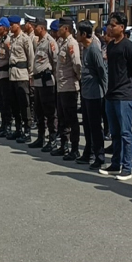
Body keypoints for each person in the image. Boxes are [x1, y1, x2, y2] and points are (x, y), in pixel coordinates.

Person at [99, 12, 132, 182]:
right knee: (114, 132)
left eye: (113, 25)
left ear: (122, 28)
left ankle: (127, 168)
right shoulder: (112, 45)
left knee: (125, 133)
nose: (109, 27)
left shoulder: (128, 46)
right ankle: (115, 164)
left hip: (124, 94)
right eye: (109, 24)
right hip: (111, 94)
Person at [77, 19, 108, 169]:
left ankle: (99, 156)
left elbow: (102, 72)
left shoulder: (94, 49)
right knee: (88, 126)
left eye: (78, 32)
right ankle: (88, 153)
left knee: (95, 127)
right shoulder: (85, 48)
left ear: (84, 34)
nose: (76, 34)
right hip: (86, 93)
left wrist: (105, 93)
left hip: (95, 95)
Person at [53, 17, 82, 160]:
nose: (58, 30)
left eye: (60, 27)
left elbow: (77, 64)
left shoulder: (72, 43)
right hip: (61, 86)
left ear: (66, 28)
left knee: (71, 119)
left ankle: (75, 148)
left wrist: (76, 78)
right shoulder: (62, 43)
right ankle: (64, 145)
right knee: (62, 118)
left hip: (69, 86)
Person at [28, 18, 57, 151]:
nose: (34, 29)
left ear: (42, 28)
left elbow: (55, 62)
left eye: (36, 27)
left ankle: (52, 139)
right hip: (38, 82)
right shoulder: (38, 41)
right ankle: (40, 137)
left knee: (49, 112)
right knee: (39, 111)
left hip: (47, 82)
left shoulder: (50, 41)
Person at [6, 15, 34, 143]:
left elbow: (31, 58)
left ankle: (27, 131)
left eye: (12, 25)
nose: (10, 27)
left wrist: (30, 75)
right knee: (14, 105)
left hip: (22, 75)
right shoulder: (10, 38)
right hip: (12, 75)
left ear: (18, 25)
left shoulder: (25, 39)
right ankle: (18, 129)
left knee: (24, 104)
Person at [0, 18, 12, 138]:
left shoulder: (8, 40)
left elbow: (10, 58)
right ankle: (3, 124)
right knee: (2, 102)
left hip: (5, 75)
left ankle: (8, 125)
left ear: (4, 28)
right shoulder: (1, 40)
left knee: (6, 102)